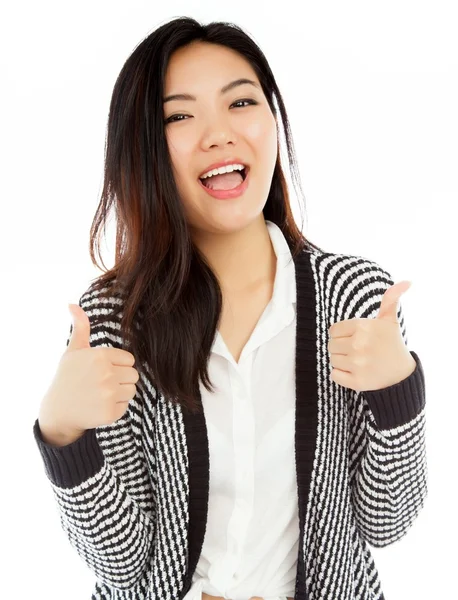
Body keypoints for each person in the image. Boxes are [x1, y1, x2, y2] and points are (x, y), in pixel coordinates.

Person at [33, 16, 427, 600]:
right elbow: (121, 563)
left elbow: (386, 523)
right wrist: (63, 432)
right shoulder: (116, 322)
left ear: (272, 122)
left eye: (240, 102)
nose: (218, 134)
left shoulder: (354, 297)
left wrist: (397, 394)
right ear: (143, 149)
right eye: (179, 115)